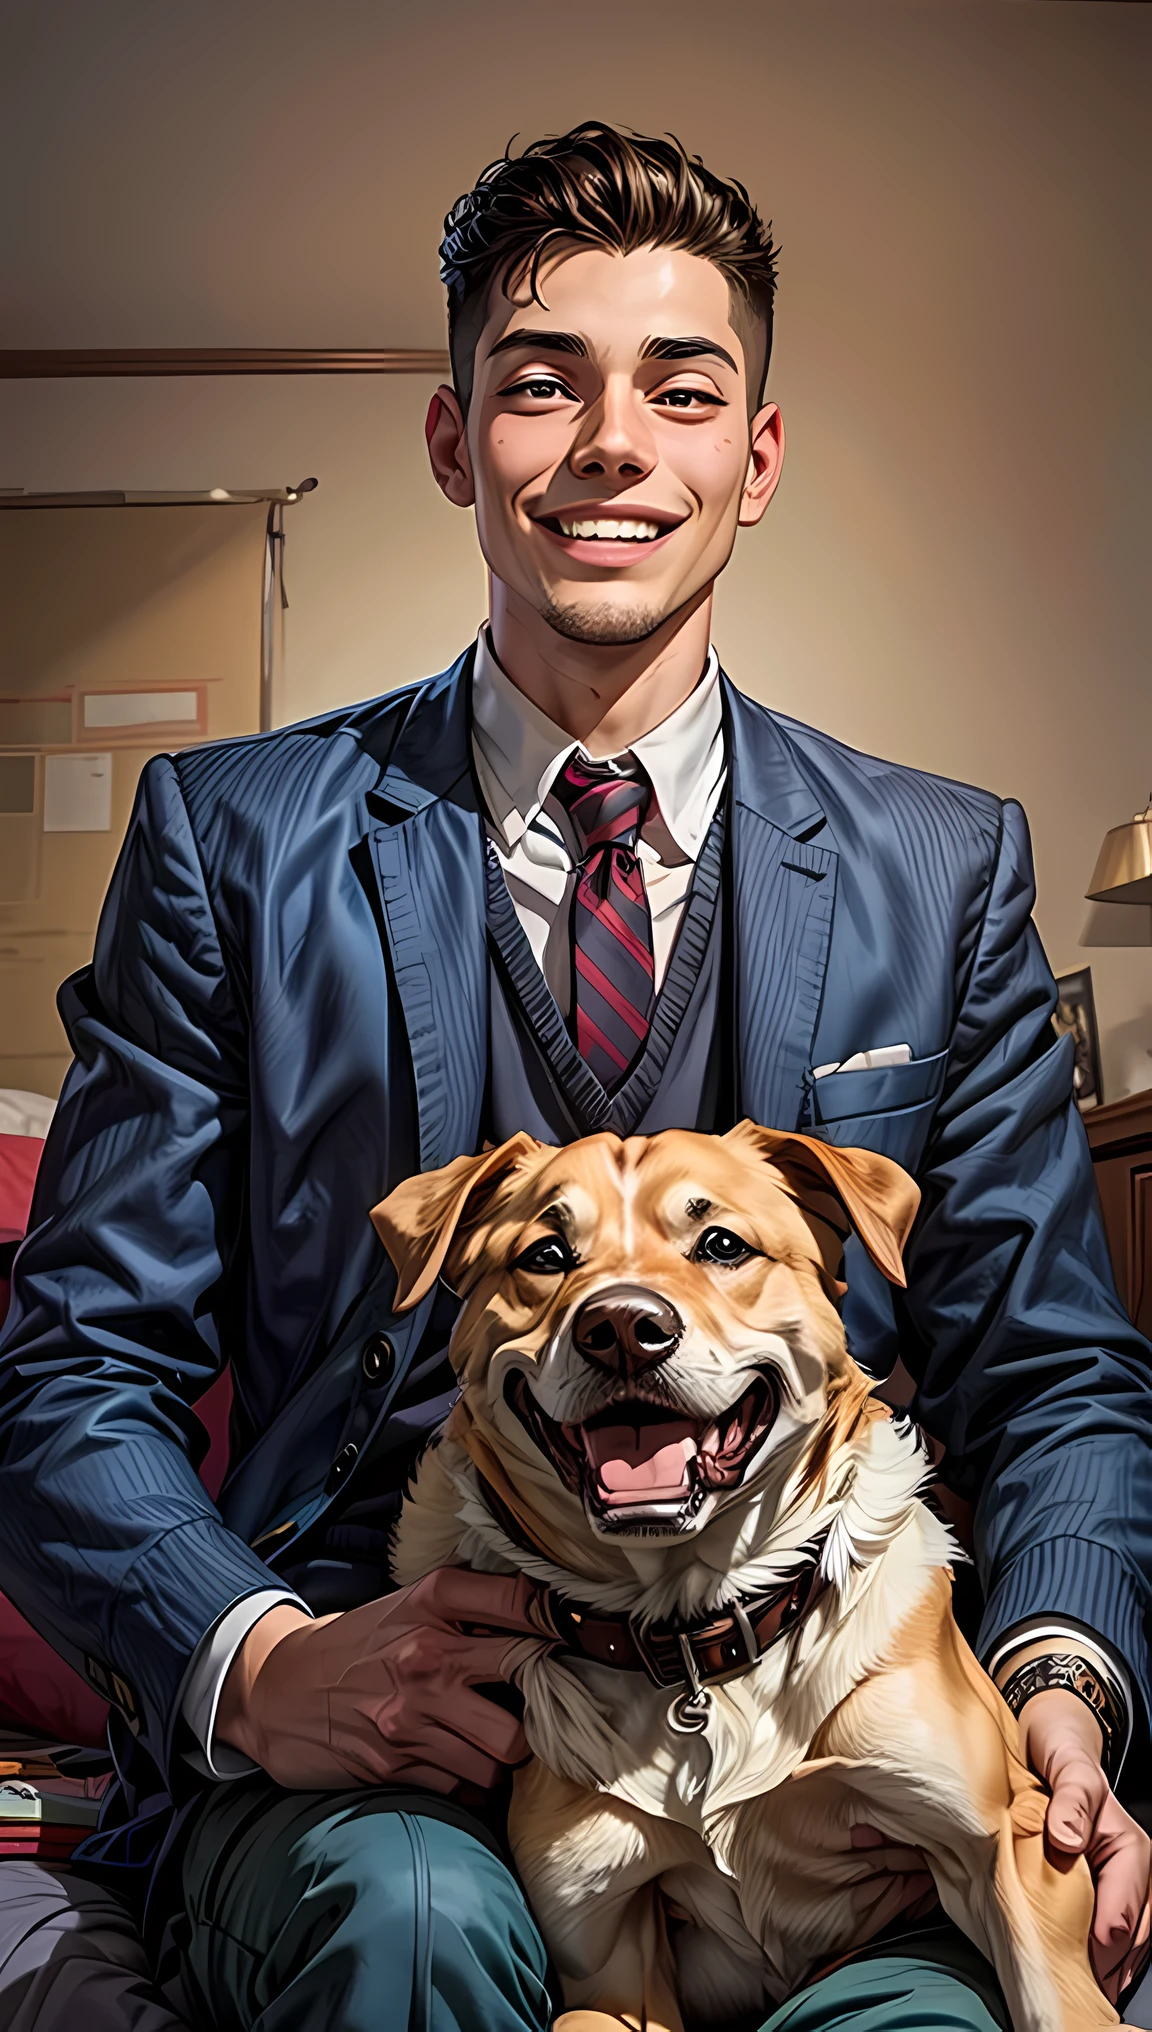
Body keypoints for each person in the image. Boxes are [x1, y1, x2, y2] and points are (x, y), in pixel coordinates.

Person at [0, 122, 1149, 2032]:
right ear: (460, 445)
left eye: (681, 387)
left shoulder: (935, 869)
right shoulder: (233, 840)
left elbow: (1058, 1367)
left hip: (826, 1754)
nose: (615, 439)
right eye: (544, 383)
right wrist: (261, 1658)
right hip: (392, 1770)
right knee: (420, 1931)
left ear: (751, 457)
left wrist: (1063, 1681)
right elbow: (69, 1377)